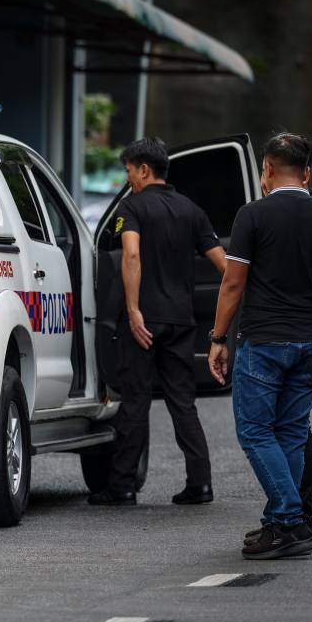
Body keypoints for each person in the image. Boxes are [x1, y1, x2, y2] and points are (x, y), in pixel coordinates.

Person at [208, 132, 312, 560]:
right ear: (308, 172)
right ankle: (280, 524)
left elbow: (233, 282)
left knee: (254, 432)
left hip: (265, 341)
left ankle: (288, 519)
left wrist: (218, 338)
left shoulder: (252, 215)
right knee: (290, 431)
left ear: (266, 170)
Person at [88, 137, 227, 507]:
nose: (129, 177)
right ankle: (200, 484)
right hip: (181, 321)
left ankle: (122, 486)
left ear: (144, 169)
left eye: (129, 170)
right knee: (183, 402)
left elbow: (130, 255)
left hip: (144, 324)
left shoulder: (131, 207)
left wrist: (133, 310)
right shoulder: (191, 210)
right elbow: (225, 266)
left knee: (135, 402)